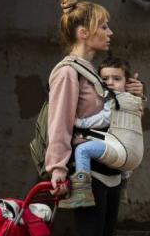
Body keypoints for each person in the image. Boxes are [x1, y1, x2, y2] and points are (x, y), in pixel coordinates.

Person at [46, 0, 144, 236]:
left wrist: (131, 95)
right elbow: (59, 125)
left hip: (110, 169)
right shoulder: (67, 73)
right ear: (83, 32)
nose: (110, 31)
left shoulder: (93, 73)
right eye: (103, 26)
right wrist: (57, 168)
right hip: (84, 171)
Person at [58, 57, 142, 209]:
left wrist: (78, 123)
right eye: (105, 79)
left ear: (127, 82)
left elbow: (104, 119)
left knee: (83, 150)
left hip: (120, 148)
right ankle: (123, 187)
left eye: (116, 78)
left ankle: (82, 191)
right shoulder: (133, 99)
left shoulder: (117, 100)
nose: (110, 82)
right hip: (129, 150)